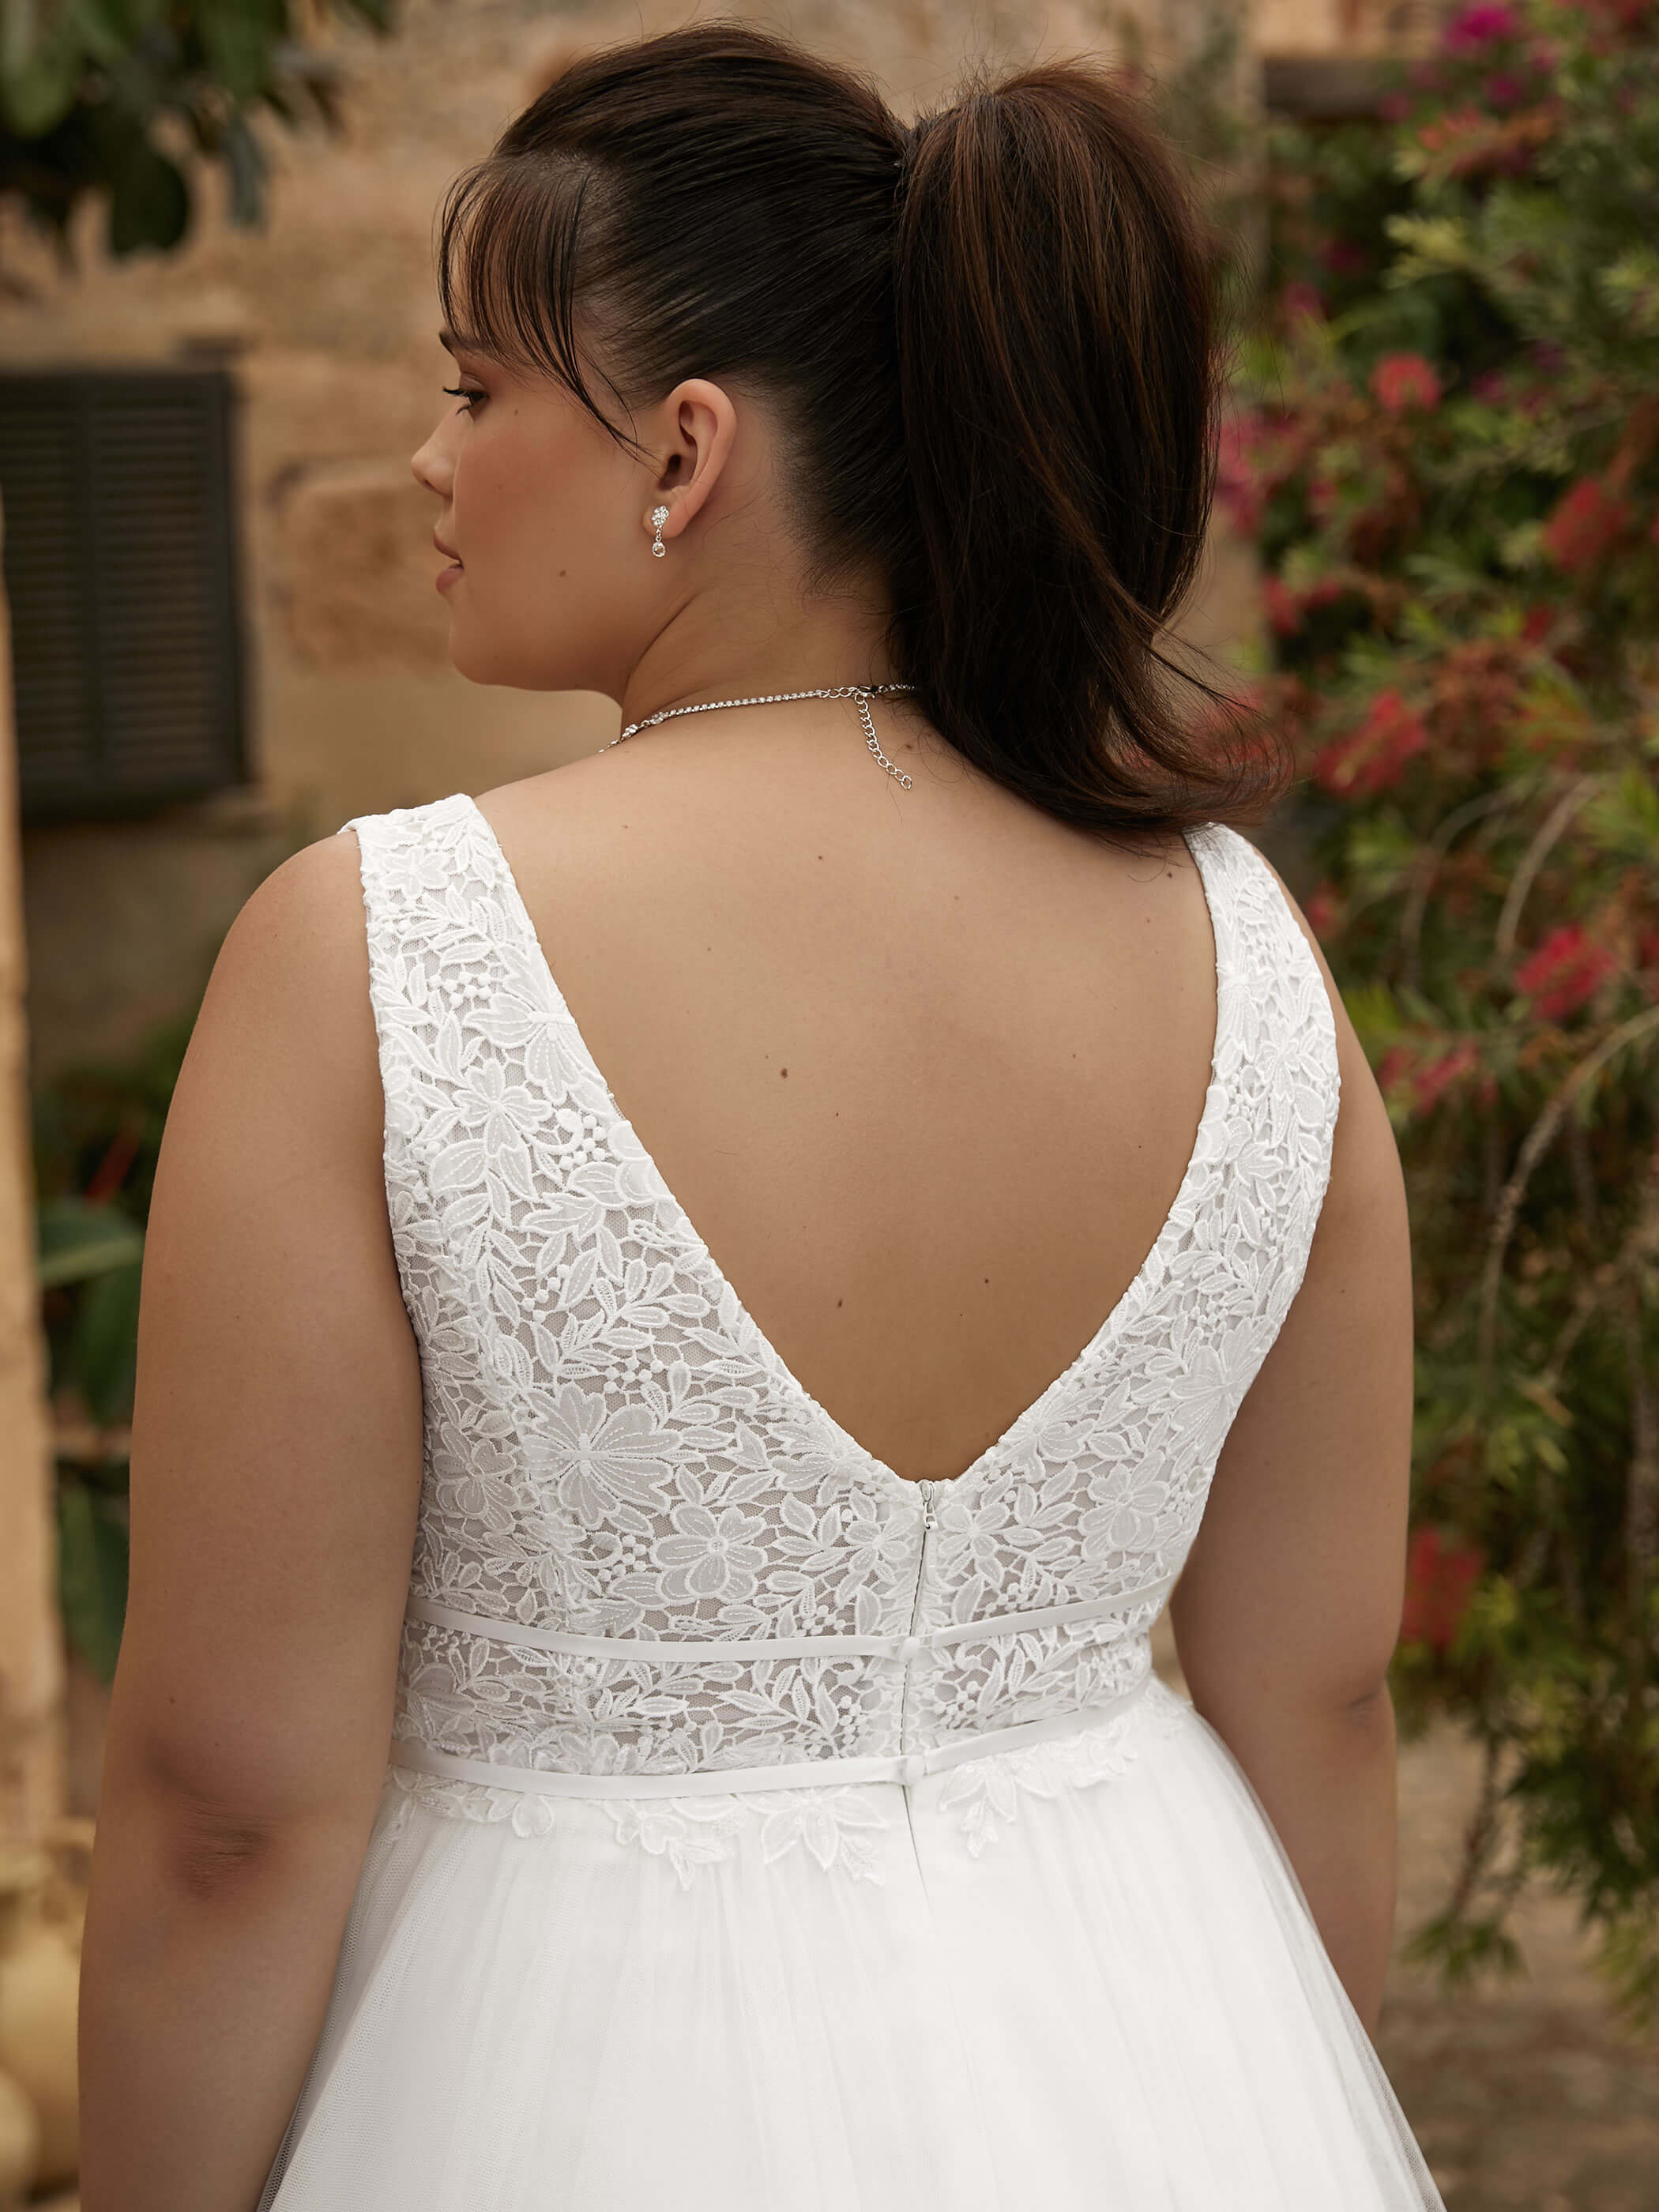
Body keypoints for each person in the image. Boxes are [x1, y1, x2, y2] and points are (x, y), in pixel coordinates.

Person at [77, 21, 1448, 2210]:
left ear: (684, 448)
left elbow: (232, 1811)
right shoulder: (1247, 954)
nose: (426, 462)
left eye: (475, 390)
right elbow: (1323, 1701)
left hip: (555, 2082)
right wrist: (1256, 2099)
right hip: (1149, 2053)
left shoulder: (379, 955)